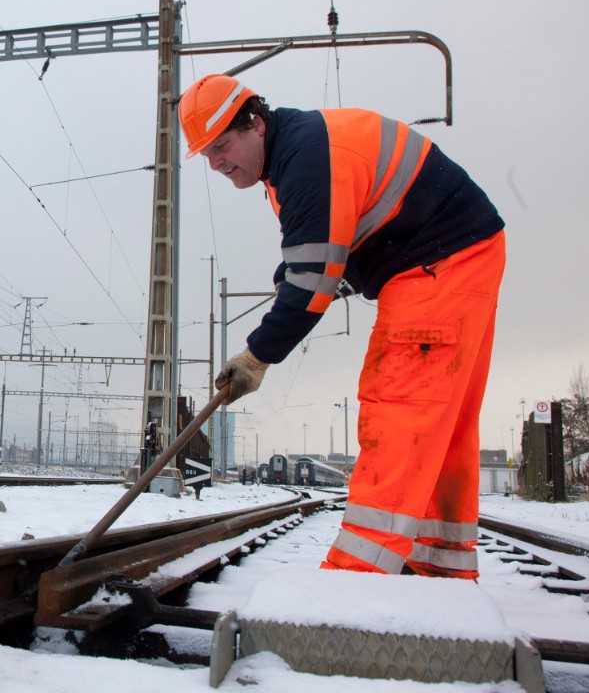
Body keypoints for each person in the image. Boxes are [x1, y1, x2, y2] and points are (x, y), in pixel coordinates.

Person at [179, 73, 505, 580]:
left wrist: (257, 355)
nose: (217, 162)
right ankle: (439, 569)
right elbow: (310, 258)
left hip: (437, 266)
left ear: (256, 125)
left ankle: (358, 576)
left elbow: (312, 284)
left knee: (399, 407)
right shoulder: (292, 158)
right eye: (207, 153)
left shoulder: (306, 161)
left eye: (223, 145)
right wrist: (287, 294)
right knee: (439, 425)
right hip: (460, 257)